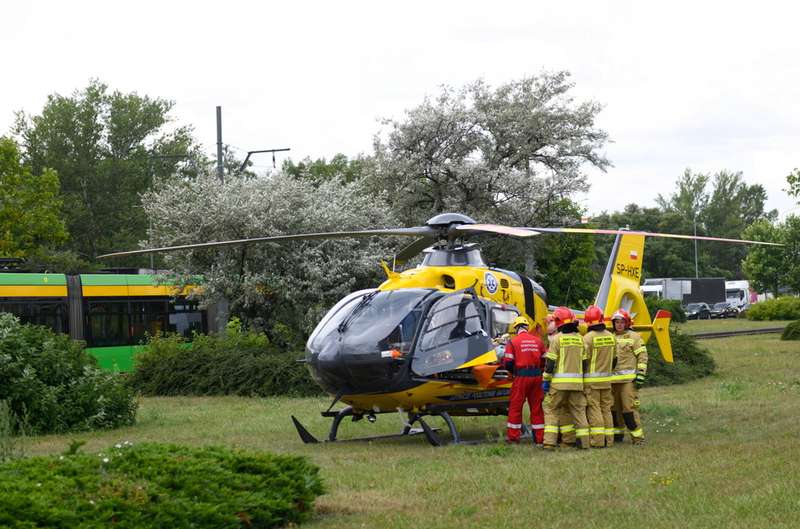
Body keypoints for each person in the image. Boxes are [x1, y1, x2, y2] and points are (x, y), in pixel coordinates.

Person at [542, 307, 590, 450]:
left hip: (559, 385)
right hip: (577, 385)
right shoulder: (581, 340)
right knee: (578, 412)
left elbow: (550, 364)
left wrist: (546, 380)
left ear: (559, 322)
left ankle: (549, 443)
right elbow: (585, 363)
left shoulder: (557, 339)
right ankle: (583, 443)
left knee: (552, 410)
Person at [503, 316, 546, 444]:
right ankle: (539, 438)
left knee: (515, 407)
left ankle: (513, 438)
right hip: (536, 377)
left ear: (516, 328)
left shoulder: (513, 342)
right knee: (537, 408)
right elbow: (544, 361)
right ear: (527, 327)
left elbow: (508, 363)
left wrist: (513, 372)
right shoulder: (538, 341)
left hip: (521, 377)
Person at [610, 309, 648, 445]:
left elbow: (642, 356)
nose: (619, 325)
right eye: (617, 322)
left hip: (628, 382)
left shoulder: (634, 337)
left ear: (627, 323)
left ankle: (638, 438)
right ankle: (617, 436)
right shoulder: (610, 337)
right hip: (612, 381)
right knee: (614, 410)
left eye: (622, 322)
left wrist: (641, 374)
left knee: (629, 410)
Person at [582, 305, 616, 448]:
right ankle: (609, 440)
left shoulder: (588, 338)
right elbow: (615, 360)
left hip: (592, 382)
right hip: (607, 381)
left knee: (594, 409)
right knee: (606, 409)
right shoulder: (611, 336)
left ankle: (598, 441)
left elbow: (584, 361)